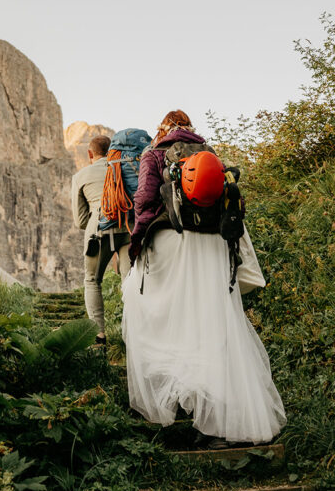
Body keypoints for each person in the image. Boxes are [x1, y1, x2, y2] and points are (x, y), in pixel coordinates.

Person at [122, 110, 286, 446]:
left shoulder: (154, 155)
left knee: (161, 320)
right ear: (191, 129)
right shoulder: (209, 154)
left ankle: (181, 403)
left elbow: (143, 201)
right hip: (213, 250)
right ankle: (216, 425)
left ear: (162, 130)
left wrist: (138, 244)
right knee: (212, 329)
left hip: (174, 246)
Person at [71, 135, 131, 345]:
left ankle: (99, 335)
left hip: (97, 232)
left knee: (92, 280)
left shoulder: (81, 176)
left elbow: (79, 221)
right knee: (129, 282)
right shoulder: (124, 169)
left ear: (90, 154)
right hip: (127, 230)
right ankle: (134, 331)